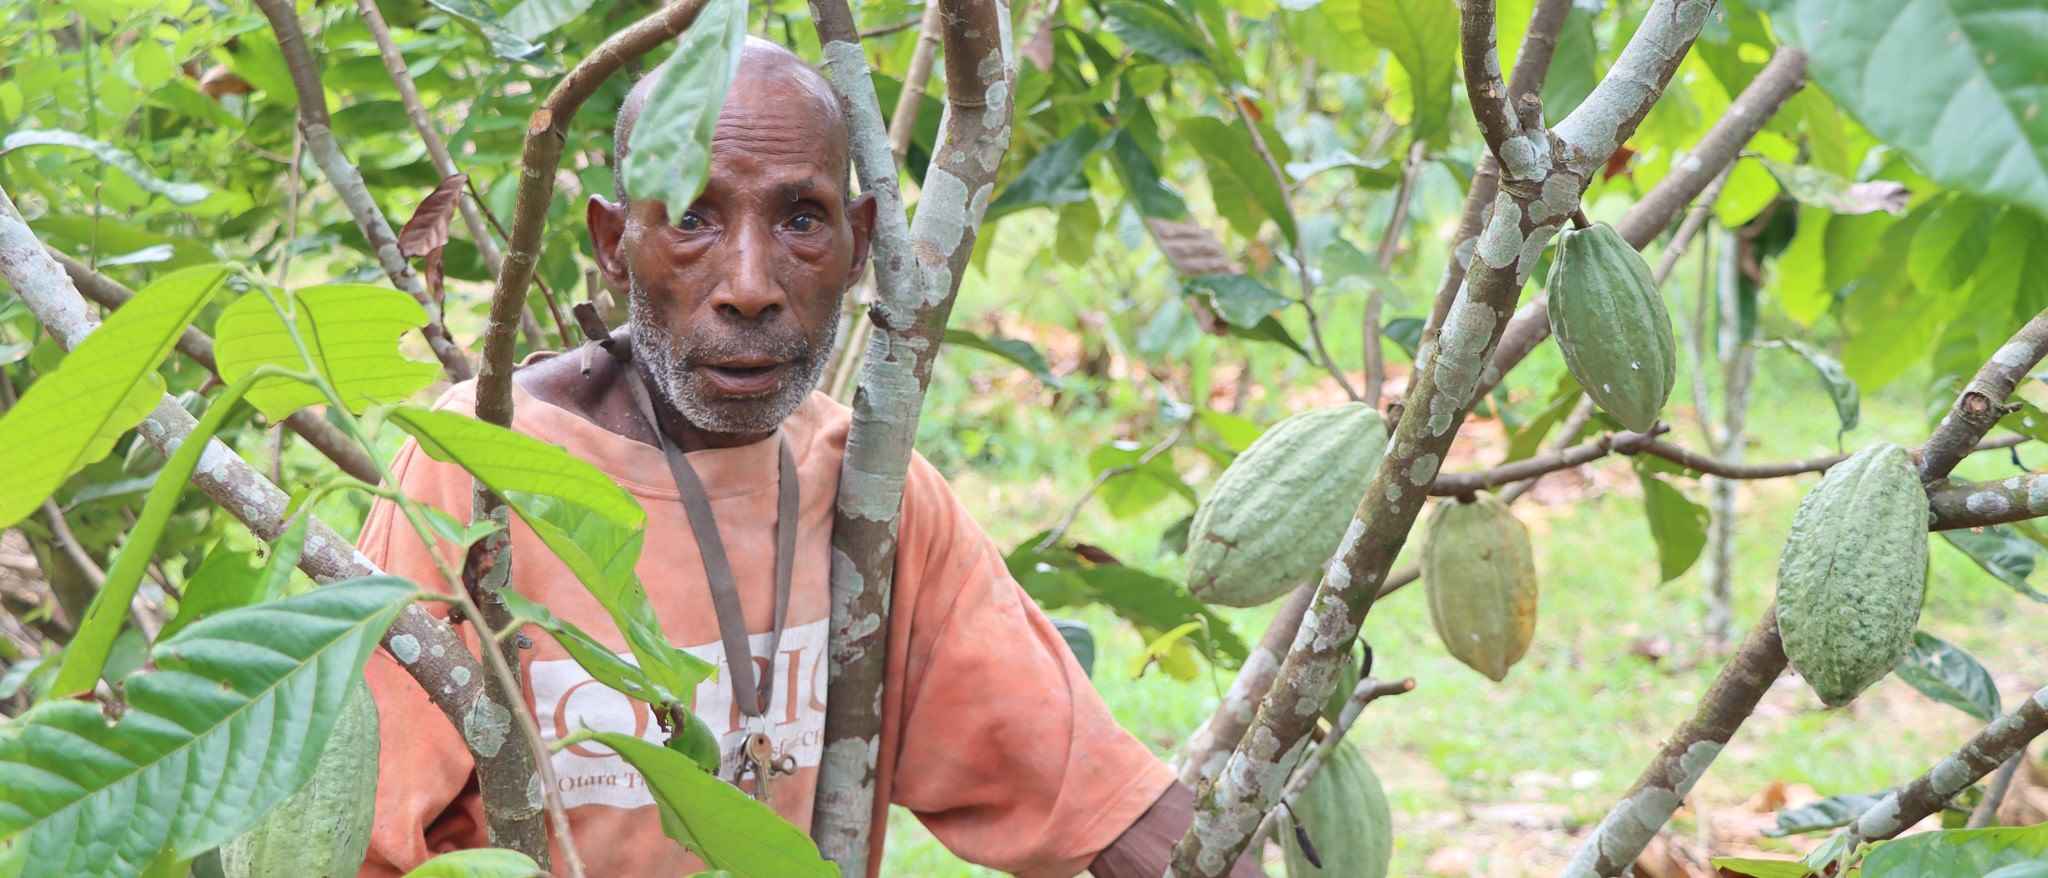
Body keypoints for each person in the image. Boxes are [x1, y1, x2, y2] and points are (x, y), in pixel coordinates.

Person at [357, 36, 1263, 878]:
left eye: (800, 220)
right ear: (611, 246)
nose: (750, 287)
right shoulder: (478, 472)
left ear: (859, 244)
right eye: (691, 218)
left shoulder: (867, 490)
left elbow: (1103, 803)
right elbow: (355, 839)